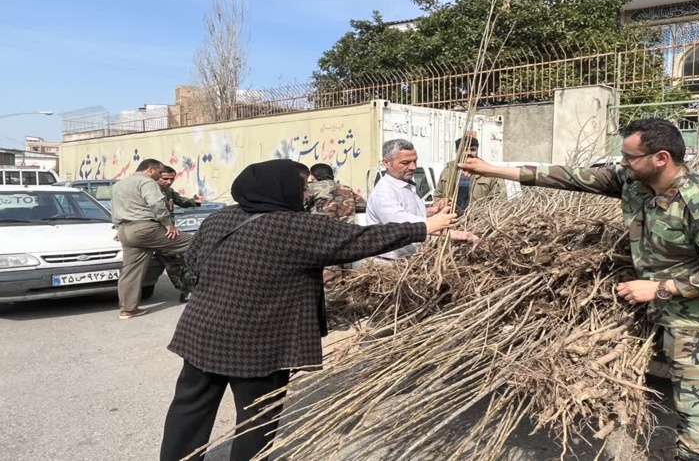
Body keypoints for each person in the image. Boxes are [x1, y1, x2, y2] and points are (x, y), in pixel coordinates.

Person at [458, 118, 699, 461]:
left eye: (630, 157)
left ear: (661, 158)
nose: (622, 163)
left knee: (694, 405)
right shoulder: (634, 182)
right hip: (694, 313)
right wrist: (493, 170)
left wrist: (660, 288)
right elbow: (568, 177)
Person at [159, 159, 458, 461]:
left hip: (201, 331)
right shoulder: (294, 227)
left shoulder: (219, 219)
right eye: (301, 187)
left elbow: (194, 260)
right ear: (280, 189)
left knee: (190, 407)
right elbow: (362, 239)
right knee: (257, 417)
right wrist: (424, 227)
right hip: (259, 343)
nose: (306, 193)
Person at [366, 139, 478, 260]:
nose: (413, 167)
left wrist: (433, 210)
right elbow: (403, 224)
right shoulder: (384, 192)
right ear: (386, 163)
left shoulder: (406, 186)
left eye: (415, 161)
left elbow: (411, 212)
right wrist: (453, 234)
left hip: (409, 260)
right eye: (406, 163)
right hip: (389, 263)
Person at [112, 159, 193, 320]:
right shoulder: (147, 182)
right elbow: (157, 204)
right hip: (146, 228)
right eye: (158, 172)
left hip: (125, 230)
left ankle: (128, 309)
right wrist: (168, 225)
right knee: (198, 242)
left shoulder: (118, 185)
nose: (159, 176)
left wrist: (118, 229)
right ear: (150, 170)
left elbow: (115, 208)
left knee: (130, 271)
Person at [156, 166, 206, 303]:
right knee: (174, 262)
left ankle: (187, 290)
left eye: (172, 179)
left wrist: (194, 201)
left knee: (177, 261)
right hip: (155, 233)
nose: (169, 182)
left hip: (169, 233)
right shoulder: (151, 192)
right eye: (165, 178)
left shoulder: (168, 191)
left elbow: (180, 201)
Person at [433, 136, 505, 214]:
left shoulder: (489, 172)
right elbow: (438, 195)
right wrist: (440, 204)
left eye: (473, 149)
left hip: (477, 222)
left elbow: (500, 201)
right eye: (465, 149)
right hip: (450, 221)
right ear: (457, 151)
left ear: (477, 151)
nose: (469, 153)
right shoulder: (448, 170)